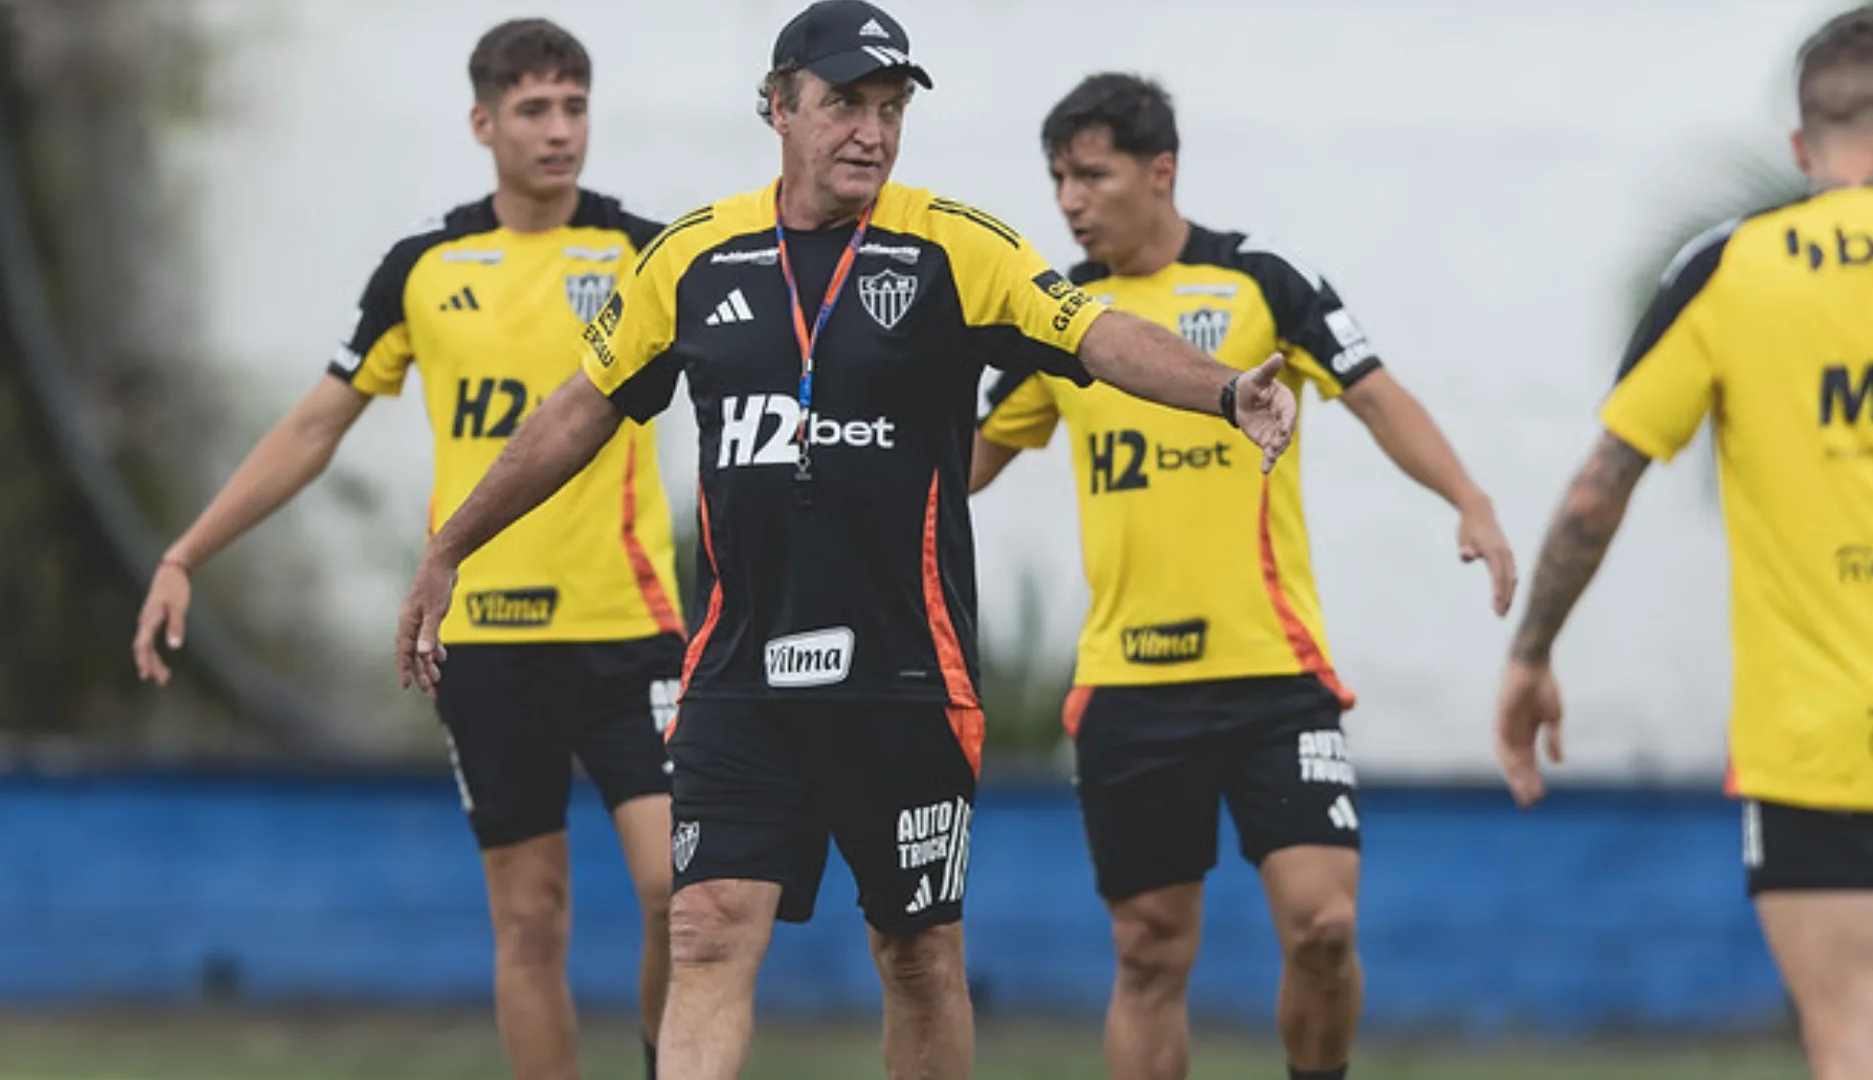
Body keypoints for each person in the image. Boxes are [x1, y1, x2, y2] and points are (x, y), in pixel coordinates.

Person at [390, 3, 1300, 1077]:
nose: (871, 131)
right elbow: (575, 413)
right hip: (737, 675)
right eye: (844, 105)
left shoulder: (957, 246)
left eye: (889, 108)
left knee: (916, 956)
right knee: (705, 927)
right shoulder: (694, 256)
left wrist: (1224, 390)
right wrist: (449, 548)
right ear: (779, 107)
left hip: (907, 678)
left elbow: (1098, 337)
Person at [129, 20, 680, 1080]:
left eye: (574, 107)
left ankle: (673, 1063)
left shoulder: (646, 256)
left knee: (678, 891)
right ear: (483, 123)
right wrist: (185, 553)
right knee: (531, 917)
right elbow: (315, 427)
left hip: (631, 626)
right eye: (533, 109)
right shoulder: (424, 265)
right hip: (483, 639)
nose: (559, 131)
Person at [972, 74, 1515, 1080]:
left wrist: (1469, 499)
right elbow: (960, 465)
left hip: (1274, 674)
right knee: (1148, 951)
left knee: (1324, 926)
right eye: (1058, 180)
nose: (1070, 201)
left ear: (1161, 171)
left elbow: (1375, 394)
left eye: (1092, 175)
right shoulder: (1059, 318)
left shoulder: (1263, 279)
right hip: (1131, 686)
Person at [1493, 10, 1873, 1079]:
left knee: (1851, 1035)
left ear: (1800, 146)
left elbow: (1595, 496)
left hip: (1813, 744)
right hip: (1809, 748)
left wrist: (1530, 655)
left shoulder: (1733, 267)